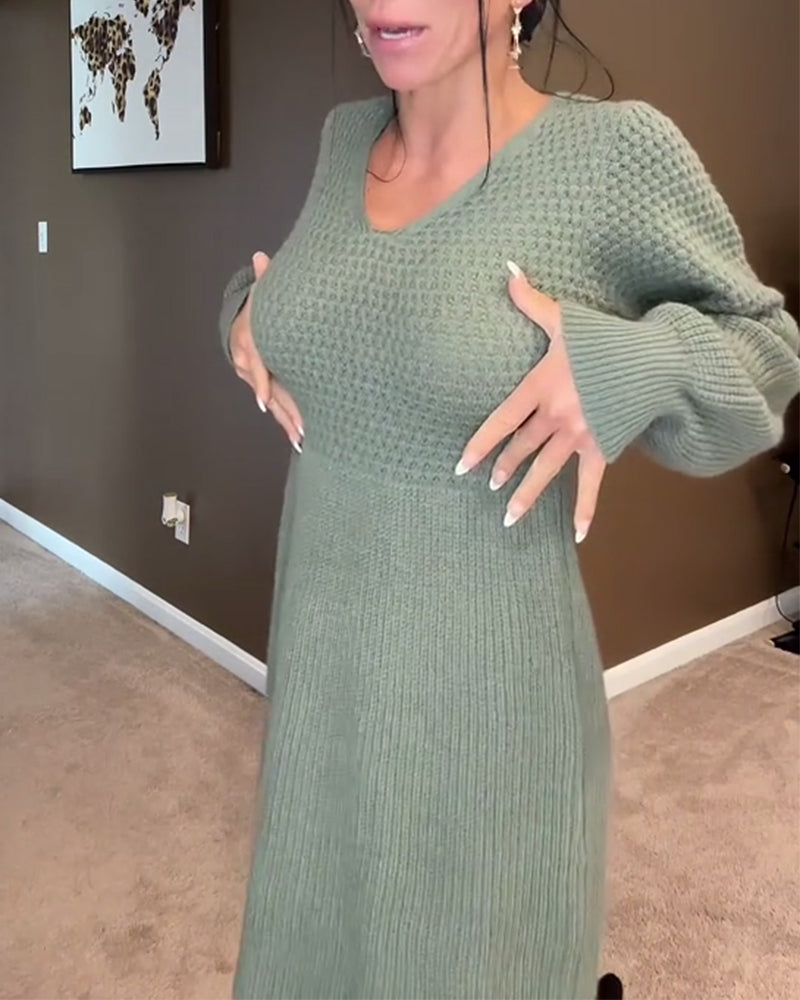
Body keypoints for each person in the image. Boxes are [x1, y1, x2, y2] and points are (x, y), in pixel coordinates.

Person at [218, 1, 800, 997]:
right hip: (323, 694)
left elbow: (768, 350)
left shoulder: (608, 156)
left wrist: (620, 363)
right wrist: (242, 314)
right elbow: (304, 293)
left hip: (487, 710)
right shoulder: (342, 139)